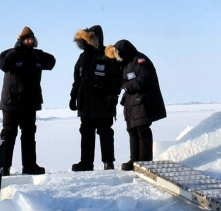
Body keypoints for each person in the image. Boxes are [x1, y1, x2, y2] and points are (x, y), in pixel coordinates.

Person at [0, 26, 56, 175]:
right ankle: (3, 166)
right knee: (8, 134)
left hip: (30, 103)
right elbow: (2, 64)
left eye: (31, 39)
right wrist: (16, 51)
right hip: (11, 102)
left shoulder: (36, 55)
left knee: (29, 135)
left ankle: (29, 166)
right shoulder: (11, 54)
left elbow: (51, 62)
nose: (29, 42)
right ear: (20, 40)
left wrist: (36, 55)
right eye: (26, 39)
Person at [105, 40, 166, 171]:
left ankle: (145, 161)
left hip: (143, 102)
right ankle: (135, 159)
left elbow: (146, 77)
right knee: (132, 130)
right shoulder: (126, 64)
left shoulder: (139, 60)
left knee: (142, 130)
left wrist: (128, 86)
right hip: (132, 103)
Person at [69, 25, 120, 171]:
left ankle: (108, 162)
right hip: (85, 103)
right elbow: (77, 80)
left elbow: (116, 77)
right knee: (86, 132)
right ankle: (86, 162)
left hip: (103, 102)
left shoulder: (108, 54)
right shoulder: (83, 57)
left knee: (105, 132)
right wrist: (73, 97)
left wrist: (114, 94)